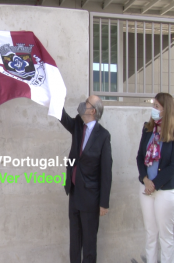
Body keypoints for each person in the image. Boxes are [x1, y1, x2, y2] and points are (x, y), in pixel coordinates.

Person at [59, 95, 112, 263]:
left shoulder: (103, 136)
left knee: (89, 243)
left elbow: (106, 171)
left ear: (93, 111)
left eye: (86, 102)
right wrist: (56, 99)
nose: (82, 104)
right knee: (75, 242)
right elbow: (63, 118)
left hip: (90, 197)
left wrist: (104, 202)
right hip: (74, 192)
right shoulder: (77, 125)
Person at [136, 93, 174, 263]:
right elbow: (140, 157)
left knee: (165, 235)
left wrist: (154, 184)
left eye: (156, 106)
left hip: (166, 191)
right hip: (146, 188)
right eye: (153, 105)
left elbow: (173, 166)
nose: (153, 109)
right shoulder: (147, 129)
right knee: (150, 233)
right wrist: (146, 180)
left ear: (166, 109)